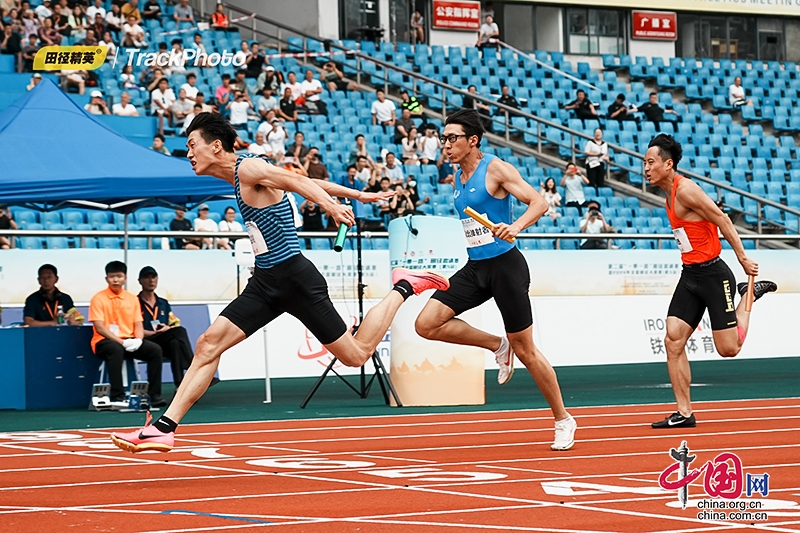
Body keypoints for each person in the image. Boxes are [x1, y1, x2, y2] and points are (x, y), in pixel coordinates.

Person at [110, 112, 450, 452]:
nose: (188, 153)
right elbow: (299, 181)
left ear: (215, 146)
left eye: (192, 145)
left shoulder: (248, 168)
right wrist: (355, 196)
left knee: (356, 354)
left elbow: (297, 181)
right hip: (267, 282)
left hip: (294, 278)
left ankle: (403, 286)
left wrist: (331, 206)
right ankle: (164, 428)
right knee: (208, 343)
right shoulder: (239, 178)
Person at [413, 110, 576, 451]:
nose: (445, 145)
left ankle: (563, 419)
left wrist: (515, 227)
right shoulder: (458, 176)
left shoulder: (496, 168)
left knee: (527, 349)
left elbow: (539, 202)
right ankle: (495, 345)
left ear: (472, 140)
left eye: (451, 138)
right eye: (442, 138)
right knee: (426, 324)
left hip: (506, 267)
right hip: (476, 267)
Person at [644, 134, 777, 429]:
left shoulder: (686, 190)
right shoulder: (667, 193)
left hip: (715, 275)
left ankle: (749, 295)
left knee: (729, 349)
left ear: (668, 164)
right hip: (690, 274)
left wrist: (742, 258)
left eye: (651, 162)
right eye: (644, 162)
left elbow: (723, 220)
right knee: (673, 339)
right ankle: (684, 412)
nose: (646, 168)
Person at [90, 261, 166, 408]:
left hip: (130, 341)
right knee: (115, 349)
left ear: (125, 278)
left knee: (155, 350)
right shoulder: (99, 298)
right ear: (107, 278)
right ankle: (118, 396)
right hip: (104, 341)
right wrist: (121, 342)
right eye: (112, 277)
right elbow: (99, 327)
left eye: (119, 276)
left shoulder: (132, 298)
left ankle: (154, 394)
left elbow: (138, 324)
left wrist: (138, 340)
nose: (116, 280)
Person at [137, 266, 209, 390]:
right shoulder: (134, 303)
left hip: (163, 340)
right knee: (180, 332)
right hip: (146, 341)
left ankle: (180, 386)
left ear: (157, 279)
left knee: (175, 343)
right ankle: (194, 368)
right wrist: (152, 332)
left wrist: (166, 328)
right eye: (147, 277)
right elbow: (133, 329)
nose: (151, 281)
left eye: (153, 277)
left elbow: (174, 322)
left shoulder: (163, 303)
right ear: (140, 281)